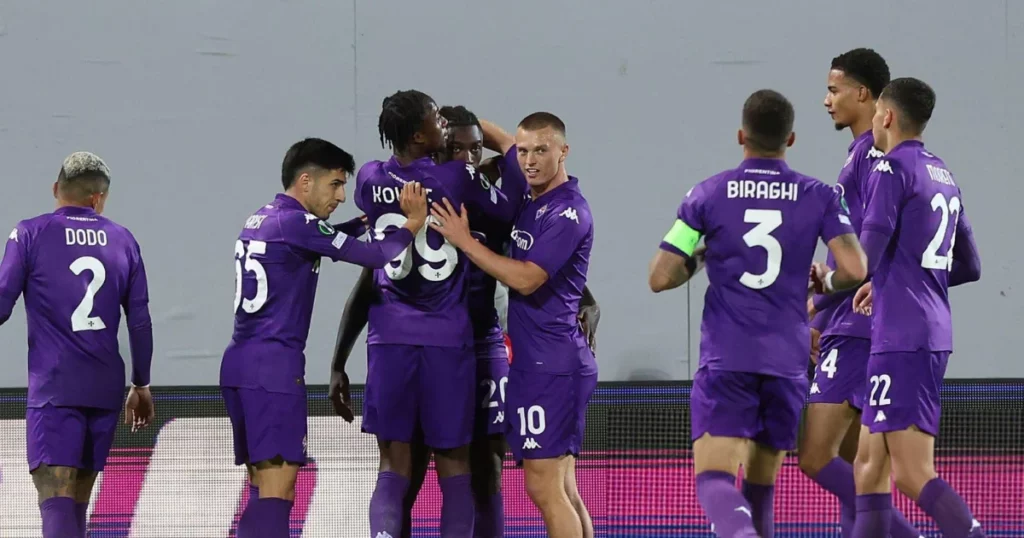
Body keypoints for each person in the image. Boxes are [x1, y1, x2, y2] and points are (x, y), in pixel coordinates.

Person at [648, 90, 868, 538]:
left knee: (713, 479)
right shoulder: (819, 195)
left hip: (728, 358)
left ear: (740, 135)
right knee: (761, 488)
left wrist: (703, 256)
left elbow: (660, 276)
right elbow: (856, 269)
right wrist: (824, 282)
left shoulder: (706, 194)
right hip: (786, 362)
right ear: (790, 138)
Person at [332, 90, 521, 538]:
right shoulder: (456, 179)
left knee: (393, 466)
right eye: (437, 119)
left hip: (388, 338)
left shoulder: (368, 178)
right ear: (421, 135)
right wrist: (499, 141)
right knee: (455, 465)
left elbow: (373, 222)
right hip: (446, 341)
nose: (444, 125)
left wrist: (338, 362)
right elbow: (512, 206)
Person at [220, 138, 427, 538]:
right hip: (274, 370)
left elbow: (319, 238)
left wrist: (359, 224)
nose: (342, 196)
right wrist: (412, 223)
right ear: (304, 181)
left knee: (262, 488)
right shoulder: (297, 224)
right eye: (334, 185)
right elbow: (375, 257)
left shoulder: (262, 219)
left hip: (240, 364)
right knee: (279, 491)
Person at [431, 111, 596, 538]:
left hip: (552, 366)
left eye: (542, 150)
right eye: (523, 152)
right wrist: (450, 119)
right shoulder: (531, 195)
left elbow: (527, 278)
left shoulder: (566, 213)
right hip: (540, 363)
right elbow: (501, 140)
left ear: (564, 151)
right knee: (564, 488)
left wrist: (464, 241)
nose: (529, 160)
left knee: (545, 490)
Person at [842, 78, 984, 538]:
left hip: (903, 338)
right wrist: (892, 285)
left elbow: (862, 258)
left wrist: (816, 288)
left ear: (885, 115)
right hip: (920, 330)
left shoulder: (889, 169)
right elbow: (970, 265)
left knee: (911, 472)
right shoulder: (942, 172)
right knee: (868, 463)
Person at [800, 48, 923, 538]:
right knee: (861, 465)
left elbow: (868, 248)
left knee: (815, 457)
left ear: (864, 94)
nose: (826, 100)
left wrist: (819, 306)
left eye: (833, 90)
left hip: (856, 326)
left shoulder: (874, 159)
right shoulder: (864, 154)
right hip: (854, 322)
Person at [0, 152, 155, 538]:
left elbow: (1, 302)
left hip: (54, 386)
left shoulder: (30, 233)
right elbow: (139, 320)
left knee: (56, 495)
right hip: (104, 387)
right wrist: (141, 383)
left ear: (56, 189)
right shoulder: (124, 240)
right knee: (78, 502)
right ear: (98, 199)